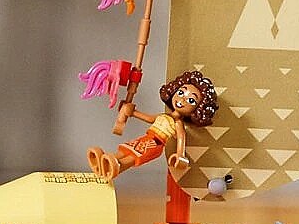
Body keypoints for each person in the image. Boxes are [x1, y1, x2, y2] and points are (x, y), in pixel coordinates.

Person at [87, 69, 218, 181]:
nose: (182, 99)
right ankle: (104, 162)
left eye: (191, 100)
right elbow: (149, 118)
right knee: (126, 150)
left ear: (197, 109)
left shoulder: (178, 124)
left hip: (155, 144)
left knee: (134, 157)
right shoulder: (163, 116)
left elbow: (181, 139)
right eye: (180, 92)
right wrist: (132, 112)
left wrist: (180, 155)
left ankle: (118, 166)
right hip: (146, 138)